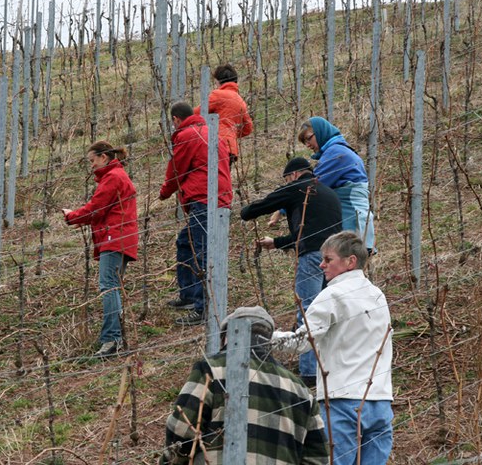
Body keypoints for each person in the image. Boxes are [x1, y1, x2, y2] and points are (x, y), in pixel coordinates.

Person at [272, 231, 393, 464]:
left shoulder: (332, 295)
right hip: (380, 401)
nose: (321, 264)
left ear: (350, 262)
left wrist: (262, 336)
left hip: (343, 401)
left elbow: (301, 342)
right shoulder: (378, 295)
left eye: (328, 259)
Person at [161, 306, 329, 464]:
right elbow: (318, 457)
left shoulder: (211, 370)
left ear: (227, 336)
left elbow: (181, 430)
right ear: (269, 339)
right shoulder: (300, 390)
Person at [240, 156, 342, 387]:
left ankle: (308, 374)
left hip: (313, 259)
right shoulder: (328, 193)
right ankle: (327, 367)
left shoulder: (298, 188)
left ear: (294, 175)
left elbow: (263, 205)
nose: (287, 183)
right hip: (335, 258)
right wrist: (276, 242)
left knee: (308, 313)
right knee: (328, 312)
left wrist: (244, 211)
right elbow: (309, 232)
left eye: (287, 179)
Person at [62, 141, 138, 358]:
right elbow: (105, 210)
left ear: (103, 157)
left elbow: (97, 208)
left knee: (109, 286)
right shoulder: (116, 176)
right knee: (113, 286)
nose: (91, 165)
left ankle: (112, 339)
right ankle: (116, 337)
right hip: (120, 237)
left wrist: (72, 216)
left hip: (115, 239)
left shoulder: (113, 177)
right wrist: (82, 219)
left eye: (92, 160)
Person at [160, 101, 233, 326]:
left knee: (201, 250)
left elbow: (177, 168)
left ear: (175, 120)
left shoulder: (187, 135)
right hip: (217, 197)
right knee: (186, 242)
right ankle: (190, 296)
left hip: (204, 199)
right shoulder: (211, 133)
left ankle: (203, 308)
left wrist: (164, 192)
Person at [298, 116, 376, 252]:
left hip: (352, 224)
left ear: (321, 132)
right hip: (355, 223)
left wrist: (281, 209)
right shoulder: (338, 151)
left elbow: (313, 186)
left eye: (309, 138)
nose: (308, 145)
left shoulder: (336, 153)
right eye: (305, 142)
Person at [193, 63, 253, 164]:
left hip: (214, 144)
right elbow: (248, 128)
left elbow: (198, 112)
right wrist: (232, 133)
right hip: (231, 149)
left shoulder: (217, 94)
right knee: (223, 178)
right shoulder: (240, 101)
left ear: (218, 81)